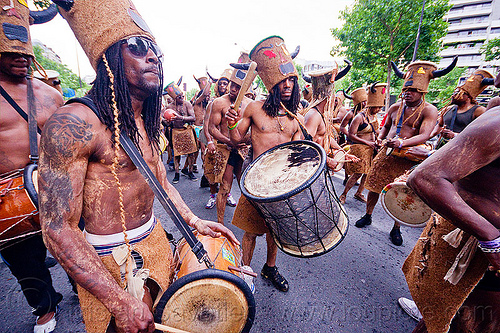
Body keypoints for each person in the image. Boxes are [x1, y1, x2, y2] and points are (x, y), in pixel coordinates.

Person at [40, 2, 238, 332]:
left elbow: (160, 179)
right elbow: (58, 230)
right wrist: (118, 300)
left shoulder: (143, 120)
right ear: (108, 59)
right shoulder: (73, 123)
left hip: (155, 242)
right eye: (137, 47)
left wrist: (193, 222)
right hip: (109, 260)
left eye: (155, 50)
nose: (153, 57)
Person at [402, 80, 500, 332]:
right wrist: (491, 239)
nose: (456, 93)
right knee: (463, 323)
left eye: (461, 91)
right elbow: (426, 177)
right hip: (480, 250)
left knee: (446, 318)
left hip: (453, 163)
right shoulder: (494, 118)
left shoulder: (480, 111)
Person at [0, 2, 61, 332]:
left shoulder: (50, 95)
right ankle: (46, 306)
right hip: (10, 200)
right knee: (26, 263)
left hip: (58, 187)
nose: (21, 58)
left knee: (76, 246)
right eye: (11, 52)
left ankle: (87, 287)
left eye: (25, 51)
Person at [226, 36, 303, 292]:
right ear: (273, 84)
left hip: (280, 186)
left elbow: (297, 154)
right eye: (283, 81)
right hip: (255, 181)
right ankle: (244, 273)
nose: (288, 85)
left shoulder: (295, 118)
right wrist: (231, 121)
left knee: (275, 232)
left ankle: (270, 268)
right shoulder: (254, 109)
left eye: (292, 80)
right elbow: (236, 138)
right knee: (251, 231)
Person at [354, 58, 456, 246]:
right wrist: (380, 138)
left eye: (412, 91)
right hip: (386, 154)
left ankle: (396, 228)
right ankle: (368, 215)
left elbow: (425, 135)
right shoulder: (394, 107)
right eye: (405, 90)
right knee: (374, 187)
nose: (407, 94)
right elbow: (385, 128)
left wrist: (402, 142)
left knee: (402, 193)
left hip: (408, 158)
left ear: (422, 92)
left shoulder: (430, 110)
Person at [208, 67, 252, 223]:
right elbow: (211, 128)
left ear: (245, 88)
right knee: (225, 188)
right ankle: (220, 224)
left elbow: (254, 131)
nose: (233, 88)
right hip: (226, 150)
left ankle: (247, 221)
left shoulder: (250, 105)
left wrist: (244, 141)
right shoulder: (219, 102)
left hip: (243, 152)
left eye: (238, 86)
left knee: (247, 187)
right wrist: (229, 141)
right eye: (232, 84)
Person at [301, 63, 359, 171]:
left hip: (319, 165)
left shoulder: (321, 114)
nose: (335, 99)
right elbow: (306, 144)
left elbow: (327, 137)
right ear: (329, 95)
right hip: (311, 168)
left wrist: (343, 153)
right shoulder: (313, 115)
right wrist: (327, 160)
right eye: (333, 95)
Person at [339, 83, 386, 204]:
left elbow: (378, 131)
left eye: (381, 107)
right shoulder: (358, 117)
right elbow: (350, 134)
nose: (379, 110)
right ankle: (343, 194)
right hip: (360, 148)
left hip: (372, 148)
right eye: (378, 107)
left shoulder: (374, 116)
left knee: (368, 173)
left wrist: (379, 140)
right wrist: (366, 142)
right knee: (357, 173)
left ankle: (359, 193)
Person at [432, 69, 493, 149]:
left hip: (464, 150)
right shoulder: (448, 109)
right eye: (454, 93)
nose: (453, 95)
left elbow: (483, 133)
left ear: (468, 97)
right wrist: (429, 136)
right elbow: (439, 125)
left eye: (458, 93)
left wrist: (455, 135)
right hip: (443, 148)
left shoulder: (479, 111)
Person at [201, 69, 232, 207]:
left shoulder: (234, 103)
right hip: (215, 143)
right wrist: (209, 142)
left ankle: (227, 194)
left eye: (226, 84)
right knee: (212, 171)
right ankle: (213, 195)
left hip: (229, 144)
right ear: (217, 86)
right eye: (221, 84)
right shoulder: (212, 103)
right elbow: (207, 125)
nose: (223, 86)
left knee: (226, 171)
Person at [164, 80, 197, 183]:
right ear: (174, 98)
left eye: (182, 96)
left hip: (187, 131)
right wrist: (167, 121)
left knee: (191, 153)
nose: (182, 98)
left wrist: (181, 117)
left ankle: (190, 171)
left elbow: (193, 118)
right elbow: (165, 122)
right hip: (175, 132)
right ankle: (177, 173)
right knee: (177, 154)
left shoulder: (187, 104)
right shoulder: (169, 107)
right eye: (179, 97)